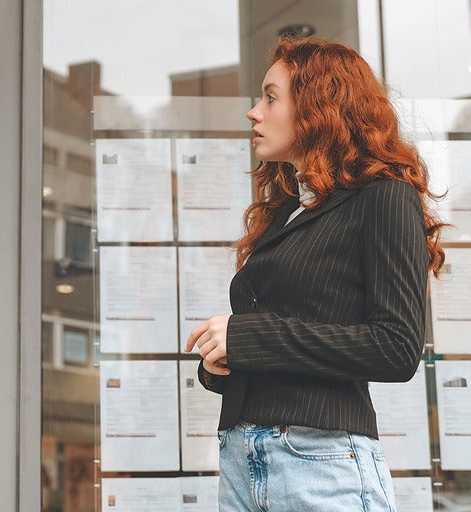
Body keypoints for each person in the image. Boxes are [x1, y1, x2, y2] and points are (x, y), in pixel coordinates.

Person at [183, 36, 447, 511]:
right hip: (244, 456)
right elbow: (295, 339)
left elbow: (397, 347)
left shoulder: (384, 197)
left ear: (318, 107)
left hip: (319, 461)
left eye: (270, 96)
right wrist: (227, 362)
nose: (253, 112)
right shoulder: (287, 209)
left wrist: (249, 338)